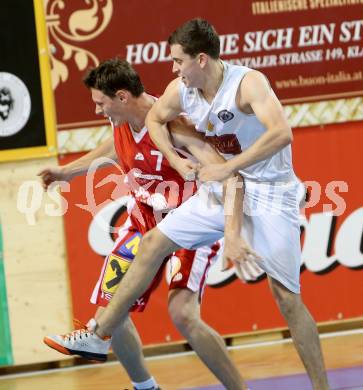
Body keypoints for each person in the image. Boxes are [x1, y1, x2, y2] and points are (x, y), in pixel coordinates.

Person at [63, 19, 331, 389]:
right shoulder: (182, 90)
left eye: (178, 61)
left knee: (286, 299)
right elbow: (156, 119)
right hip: (223, 186)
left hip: (271, 191)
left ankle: (322, 387)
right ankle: (100, 333)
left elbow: (282, 133)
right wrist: (178, 162)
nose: (172, 69)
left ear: (201, 59)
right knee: (154, 242)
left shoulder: (247, 83)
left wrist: (228, 171)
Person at [40, 58, 251, 390]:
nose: (97, 110)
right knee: (113, 305)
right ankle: (145, 387)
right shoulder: (120, 120)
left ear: (122, 97)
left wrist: (234, 230)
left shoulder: (173, 124)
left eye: (100, 102)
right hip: (142, 221)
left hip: (185, 227)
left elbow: (227, 175)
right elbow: (114, 147)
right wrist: (68, 171)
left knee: (182, 315)